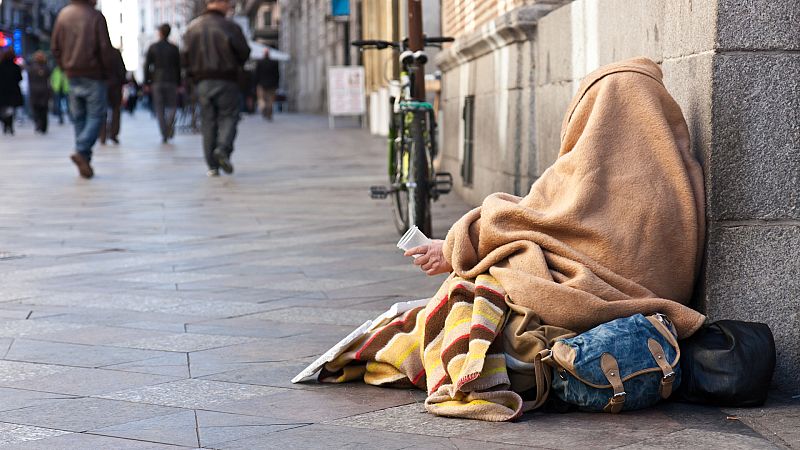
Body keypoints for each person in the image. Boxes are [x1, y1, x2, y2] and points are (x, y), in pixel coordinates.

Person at [318, 58, 707, 421]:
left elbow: (521, 219)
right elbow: (559, 228)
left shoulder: (585, 166)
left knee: (474, 287)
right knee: (498, 263)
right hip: (643, 306)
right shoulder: (681, 180)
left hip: (585, 300)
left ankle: (459, 353)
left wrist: (455, 247)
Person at [182, 0, 250, 177]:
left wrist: (191, 77)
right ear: (220, 3)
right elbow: (244, 52)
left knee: (208, 121)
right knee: (229, 116)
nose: (230, 7)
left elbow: (185, 57)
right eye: (228, 3)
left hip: (202, 81)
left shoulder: (192, 28)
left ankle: (212, 166)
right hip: (226, 79)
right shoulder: (230, 26)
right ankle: (222, 148)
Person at [51, 0, 116, 179]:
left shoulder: (63, 15)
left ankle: (84, 158)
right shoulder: (95, 16)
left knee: (79, 117)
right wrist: (107, 72)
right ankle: (81, 150)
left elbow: (55, 47)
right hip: (94, 74)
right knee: (96, 115)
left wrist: (65, 66)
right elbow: (105, 48)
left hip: (72, 73)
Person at [144, 23, 182, 143]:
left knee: (159, 108)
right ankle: (169, 124)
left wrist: (147, 82)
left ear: (160, 32)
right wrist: (179, 83)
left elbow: (147, 66)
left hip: (157, 80)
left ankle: (164, 132)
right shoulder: (174, 48)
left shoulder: (153, 47)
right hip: (171, 80)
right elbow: (178, 67)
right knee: (172, 106)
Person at [99, 47, 126, 145]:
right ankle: (114, 134)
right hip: (115, 85)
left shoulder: (99, 52)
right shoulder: (115, 52)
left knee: (102, 110)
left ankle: (102, 134)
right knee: (116, 110)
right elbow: (122, 70)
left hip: (102, 85)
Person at [27, 51, 52, 134]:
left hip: (34, 90)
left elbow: (29, 80)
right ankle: (43, 126)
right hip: (44, 90)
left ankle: (38, 124)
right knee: (44, 109)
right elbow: (49, 80)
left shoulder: (31, 68)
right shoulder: (46, 67)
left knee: (36, 109)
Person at [0, 49, 23, 135]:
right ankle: (10, 125)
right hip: (13, 91)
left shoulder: (1, 66)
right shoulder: (16, 67)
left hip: (3, 91)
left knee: (4, 109)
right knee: (11, 109)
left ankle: (6, 124)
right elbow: (20, 78)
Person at [255, 48, 279, 121]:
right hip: (272, 84)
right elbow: (277, 75)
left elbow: (256, 74)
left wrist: (256, 84)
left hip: (262, 84)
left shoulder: (260, 62)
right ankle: (269, 113)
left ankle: (265, 111)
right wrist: (276, 84)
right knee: (270, 100)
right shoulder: (274, 63)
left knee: (262, 99)